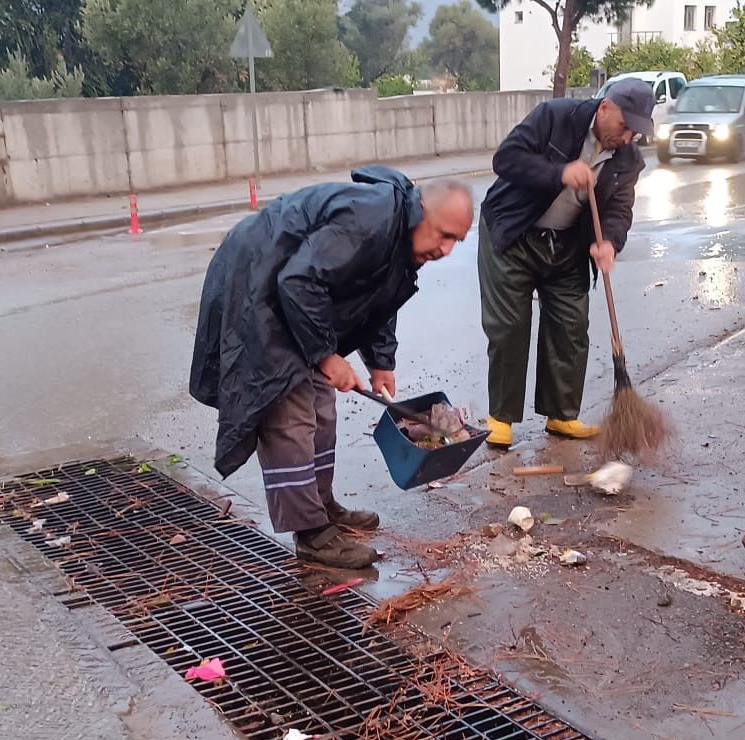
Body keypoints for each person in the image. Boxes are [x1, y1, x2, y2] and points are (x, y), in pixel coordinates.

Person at [190, 167, 475, 570]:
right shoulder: (370, 219)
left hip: (294, 294)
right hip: (259, 284)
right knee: (288, 410)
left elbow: (377, 294)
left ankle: (320, 505)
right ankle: (310, 534)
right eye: (444, 234)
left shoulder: (404, 235)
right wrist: (326, 355)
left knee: (322, 409)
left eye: (457, 241)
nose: (446, 249)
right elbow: (298, 281)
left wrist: (380, 360)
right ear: (422, 210)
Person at [477, 78, 653, 449]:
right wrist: (558, 173)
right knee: (510, 325)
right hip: (514, 232)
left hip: (567, 243)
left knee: (571, 326)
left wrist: (609, 242)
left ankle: (561, 414)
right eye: (623, 127)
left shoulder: (628, 159)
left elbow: (619, 209)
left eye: (635, 132)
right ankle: (501, 418)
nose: (626, 138)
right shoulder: (555, 117)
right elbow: (505, 159)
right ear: (605, 108)